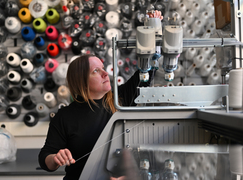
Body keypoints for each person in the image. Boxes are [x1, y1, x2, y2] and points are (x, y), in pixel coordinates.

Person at [39, 11, 163, 180]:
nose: (106, 74)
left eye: (103, 68)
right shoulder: (65, 117)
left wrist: (153, 28)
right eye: (96, 71)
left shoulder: (121, 99)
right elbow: (45, 158)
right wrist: (55, 158)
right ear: (81, 81)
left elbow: (148, 68)